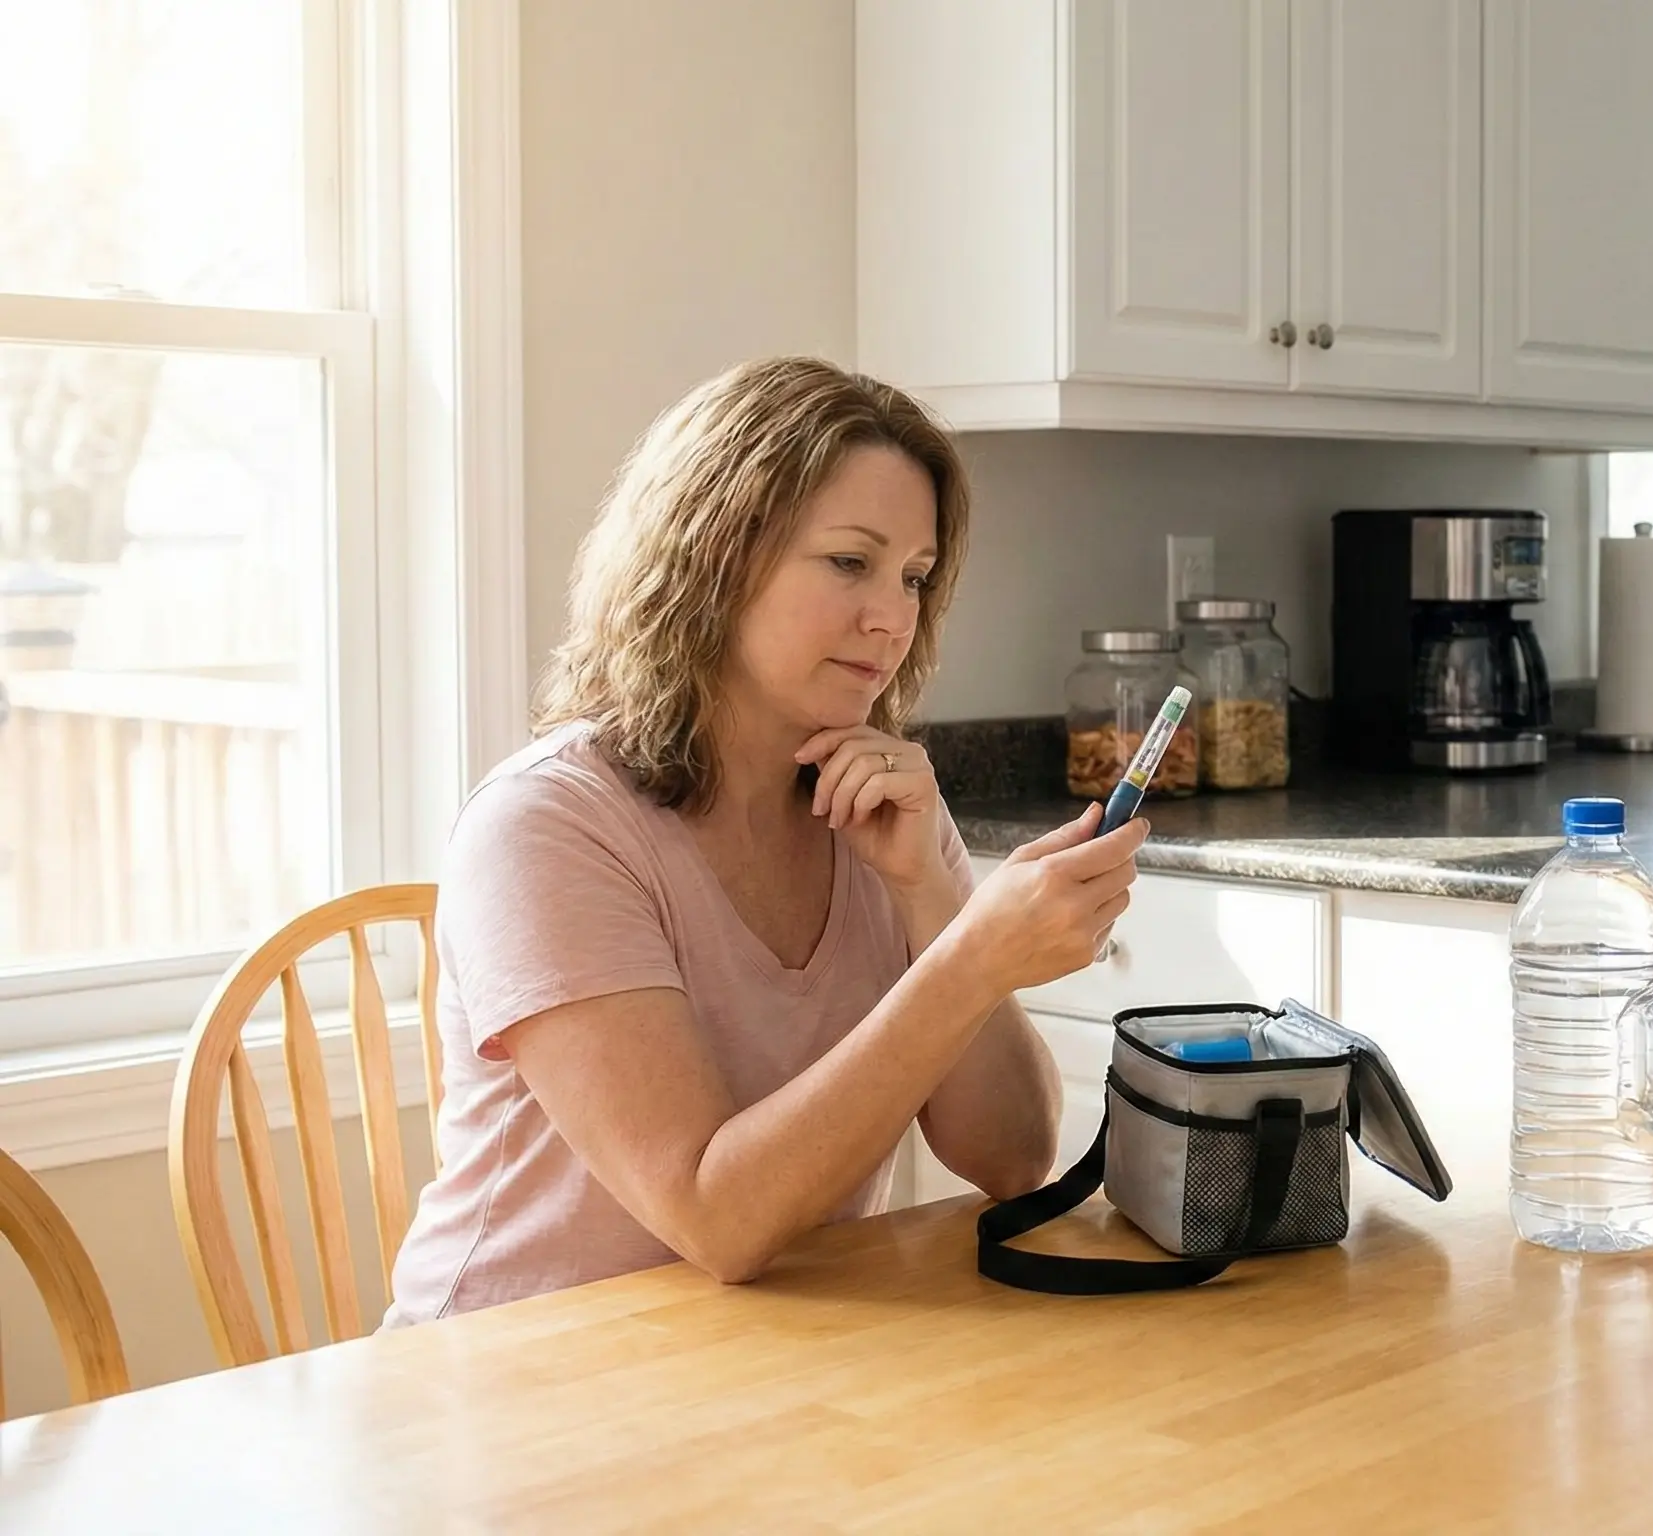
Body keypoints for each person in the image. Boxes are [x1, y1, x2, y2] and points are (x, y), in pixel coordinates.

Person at [383, 358, 1143, 1326]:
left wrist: (930, 901)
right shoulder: (547, 828)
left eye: (914, 577)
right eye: (847, 562)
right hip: (508, 1384)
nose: (891, 617)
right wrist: (969, 959)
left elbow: (1010, 1157)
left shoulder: (882, 805)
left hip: (760, 1354)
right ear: (713, 553)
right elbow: (715, 1217)